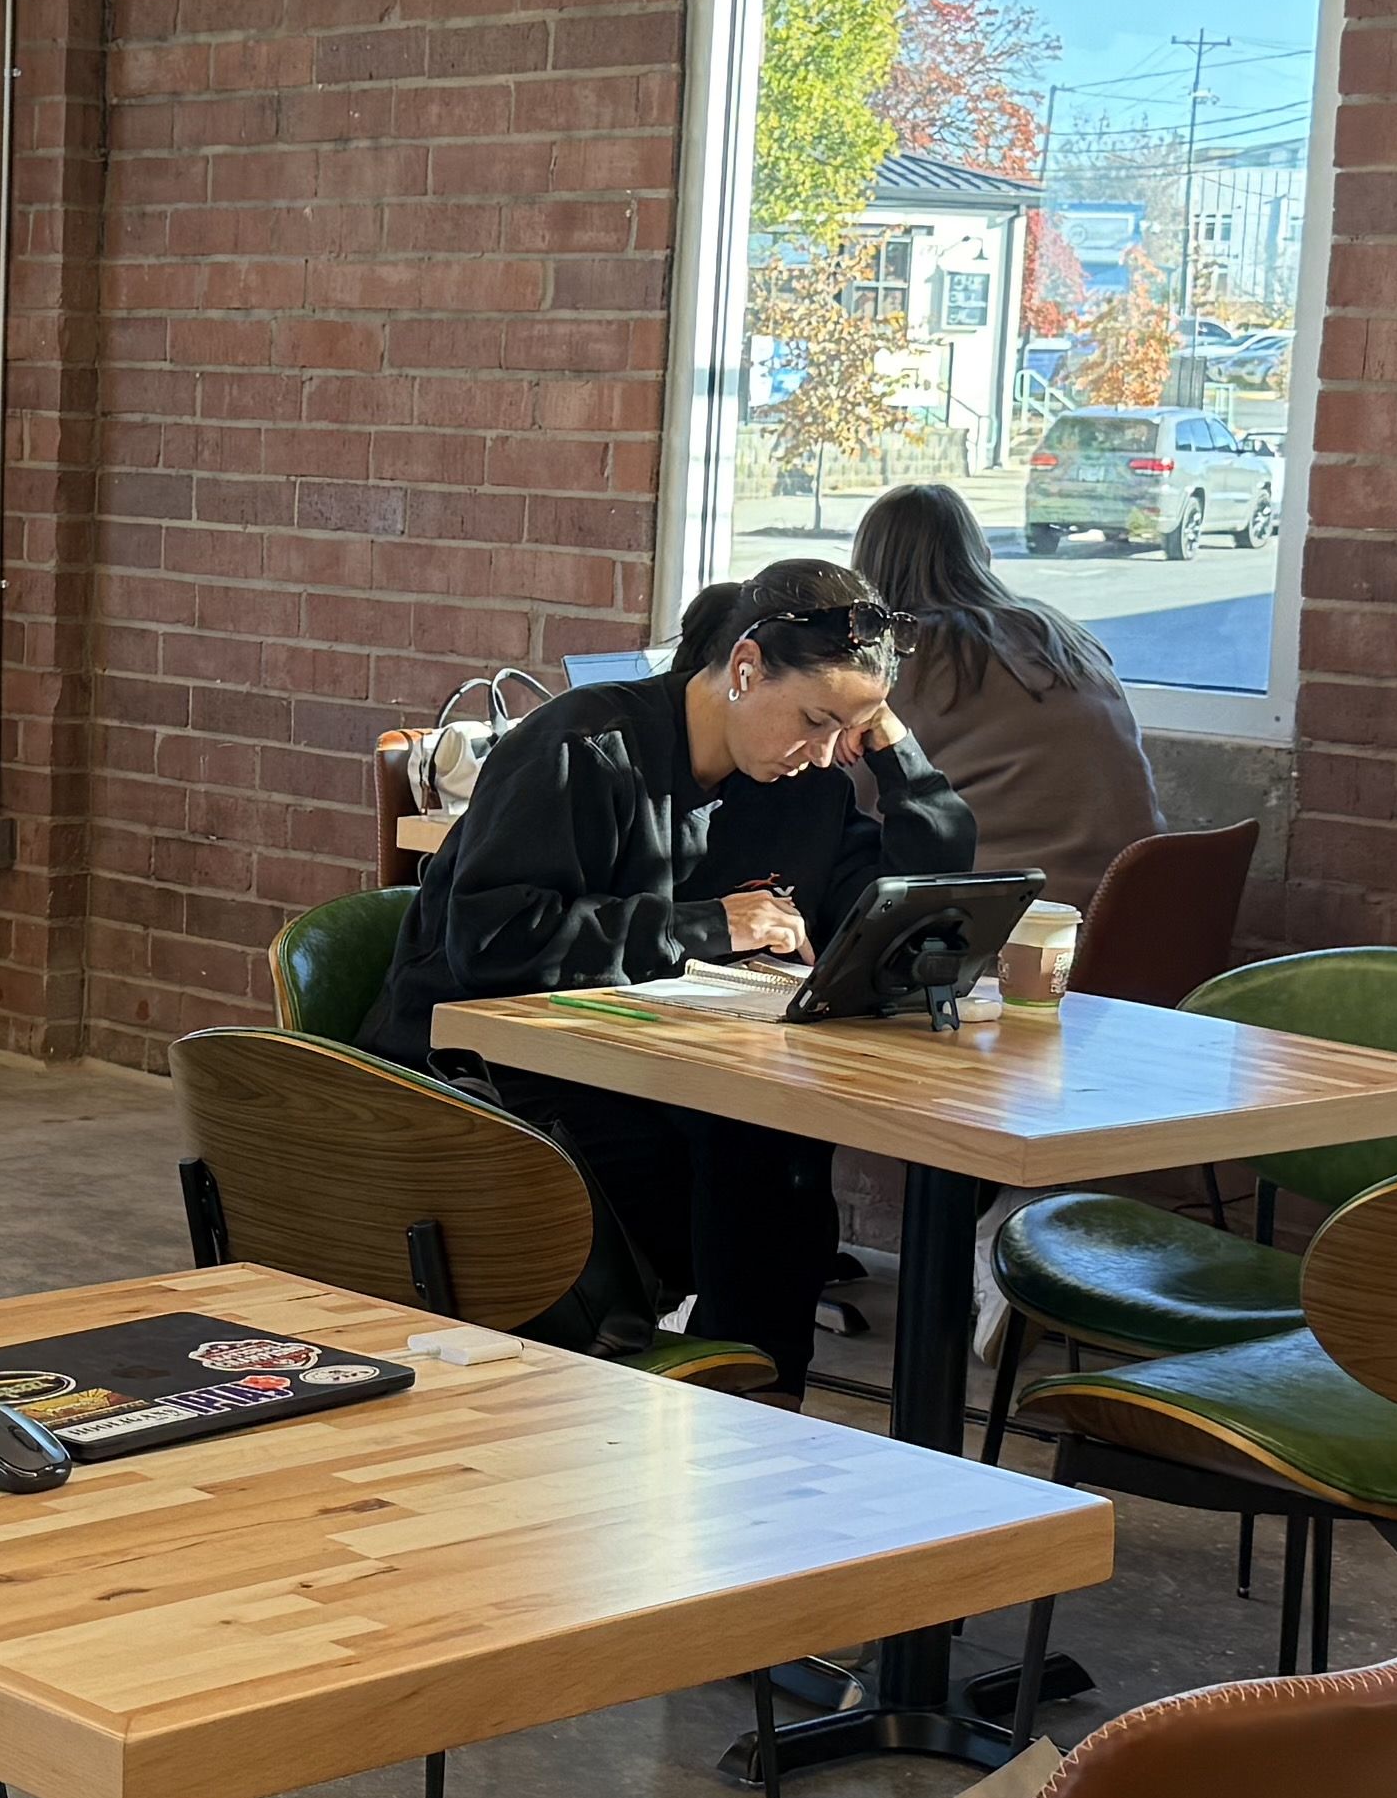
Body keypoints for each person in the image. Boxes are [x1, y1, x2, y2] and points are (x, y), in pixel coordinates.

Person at [360, 557, 974, 1396]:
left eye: (850, 731)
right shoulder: (583, 746)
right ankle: (708, 1395)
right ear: (746, 668)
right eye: (816, 720)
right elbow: (495, 944)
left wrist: (896, 752)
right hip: (488, 1074)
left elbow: (919, 895)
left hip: (648, 1070)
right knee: (749, 1155)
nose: (829, 752)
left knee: (772, 1145)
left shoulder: (795, 782)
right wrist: (712, 925)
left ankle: (749, 1404)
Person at [843, 477, 1161, 919]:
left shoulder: (909, 656)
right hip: (1133, 910)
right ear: (981, 557)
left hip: (1003, 923)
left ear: (865, 572)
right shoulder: (1060, 635)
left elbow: (846, 801)